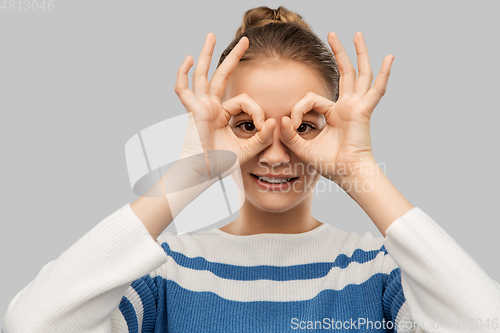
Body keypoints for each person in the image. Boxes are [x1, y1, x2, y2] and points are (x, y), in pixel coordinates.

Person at [2, 5, 500, 333]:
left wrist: (360, 171)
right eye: (246, 126)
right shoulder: (167, 273)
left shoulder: (377, 273)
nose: (277, 155)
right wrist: (189, 173)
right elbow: (30, 325)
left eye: (305, 127)